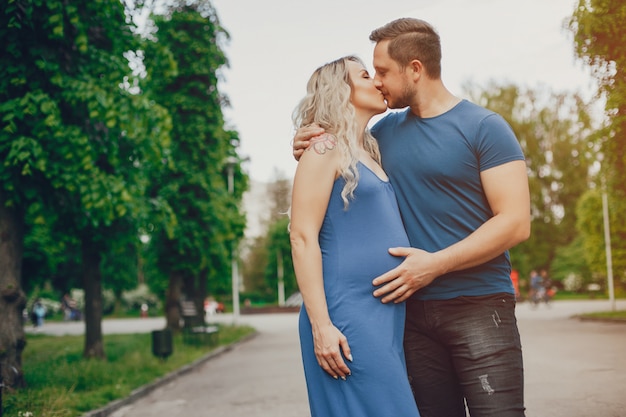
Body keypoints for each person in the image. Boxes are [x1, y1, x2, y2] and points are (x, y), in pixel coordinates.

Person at [292, 18, 530, 417]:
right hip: (409, 315)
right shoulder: (379, 136)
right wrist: (305, 141)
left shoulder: (485, 128)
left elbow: (516, 222)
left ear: (415, 69)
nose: (379, 81)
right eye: (371, 74)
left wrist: (435, 264)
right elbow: (332, 165)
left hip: (478, 304)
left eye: (382, 71)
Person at [289, 55, 421, 417]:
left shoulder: (368, 150)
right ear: (340, 89)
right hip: (345, 312)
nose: (378, 82)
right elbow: (301, 236)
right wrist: (322, 326)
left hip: (383, 313)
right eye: (366, 75)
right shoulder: (324, 148)